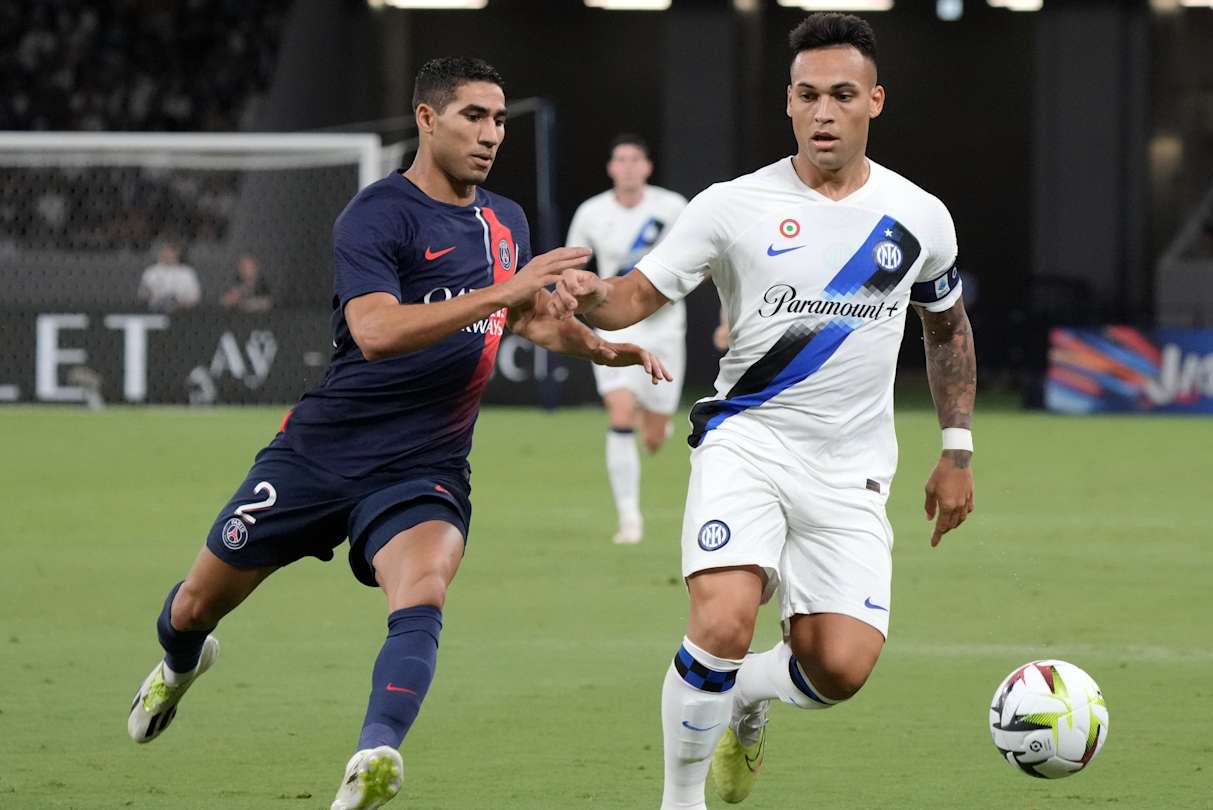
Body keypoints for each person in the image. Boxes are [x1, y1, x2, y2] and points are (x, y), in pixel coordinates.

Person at [124, 56, 670, 810]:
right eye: (473, 116)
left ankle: (374, 755)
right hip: (321, 451)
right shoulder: (376, 214)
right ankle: (179, 667)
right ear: (426, 119)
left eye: (499, 119)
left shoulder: (505, 222)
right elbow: (376, 331)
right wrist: (502, 291)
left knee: (424, 590)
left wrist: (602, 348)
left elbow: (526, 316)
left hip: (426, 462)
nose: (491, 134)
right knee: (193, 608)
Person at [553, 14, 977, 808]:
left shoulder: (919, 216)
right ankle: (680, 800)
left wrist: (957, 448)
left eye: (842, 95)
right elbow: (633, 296)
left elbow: (946, 327)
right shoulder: (731, 205)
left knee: (839, 668)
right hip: (746, 441)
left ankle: (747, 690)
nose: (824, 112)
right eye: (808, 95)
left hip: (851, 467)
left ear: (875, 101)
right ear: (788, 101)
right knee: (722, 620)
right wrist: (588, 297)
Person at [565, 134, 689, 544]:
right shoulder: (592, 212)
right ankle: (629, 518)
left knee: (653, 435)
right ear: (611, 168)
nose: (629, 166)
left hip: (664, 325)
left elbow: (706, 259)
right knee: (620, 412)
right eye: (621, 159)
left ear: (647, 167)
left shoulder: (672, 207)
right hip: (615, 322)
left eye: (636, 159)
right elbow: (573, 262)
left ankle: (657, 421)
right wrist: (568, 298)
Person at [138, 241, 202, 312]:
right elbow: (142, 294)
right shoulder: (150, 271)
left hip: (182, 312)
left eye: (170, 251)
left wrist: (179, 303)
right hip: (155, 311)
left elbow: (195, 298)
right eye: (164, 251)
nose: (167, 254)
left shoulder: (187, 273)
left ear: (177, 253)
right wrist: (147, 295)